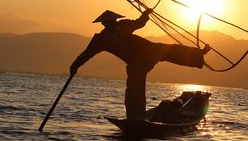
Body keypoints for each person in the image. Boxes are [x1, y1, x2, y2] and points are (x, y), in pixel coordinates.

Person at [70, 9, 210, 120]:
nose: (112, 23)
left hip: (149, 50)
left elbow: (139, 23)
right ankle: (135, 117)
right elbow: (86, 54)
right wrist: (74, 66)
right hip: (135, 63)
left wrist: (145, 14)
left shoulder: (123, 25)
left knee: (171, 50)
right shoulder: (100, 40)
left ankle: (199, 54)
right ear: (104, 24)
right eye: (109, 22)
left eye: (113, 21)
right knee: (133, 89)